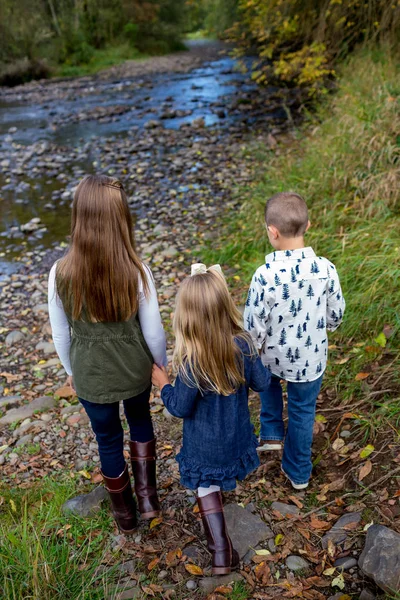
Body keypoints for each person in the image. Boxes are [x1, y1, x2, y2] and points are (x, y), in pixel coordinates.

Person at [48, 174, 167, 534]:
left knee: (108, 438)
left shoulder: (59, 273)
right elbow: (154, 331)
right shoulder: (136, 270)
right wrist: (159, 364)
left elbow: (60, 333)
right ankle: (148, 498)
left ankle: (124, 515)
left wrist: (72, 369)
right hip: (134, 370)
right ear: (122, 219)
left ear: (78, 217)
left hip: (91, 376)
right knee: (141, 420)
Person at [152, 264, 270, 575]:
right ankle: (222, 548)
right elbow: (261, 382)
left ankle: (221, 553)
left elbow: (179, 407)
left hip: (204, 446)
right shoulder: (243, 344)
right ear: (224, 306)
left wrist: (163, 384)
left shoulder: (193, 360)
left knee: (206, 484)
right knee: (217, 475)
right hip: (236, 437)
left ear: (186, 317)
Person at [244, 192, 345, 490]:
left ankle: (272, 432)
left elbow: (253, 324)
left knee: (269, 383)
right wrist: (323, 326)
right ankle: (299, 471)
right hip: (310, 359)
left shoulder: (264, 275)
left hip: (273, 355)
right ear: (308, 225)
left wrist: (254, 347)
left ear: (272, 232)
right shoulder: (326, 269)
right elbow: (336, 313)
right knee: (303, 410)